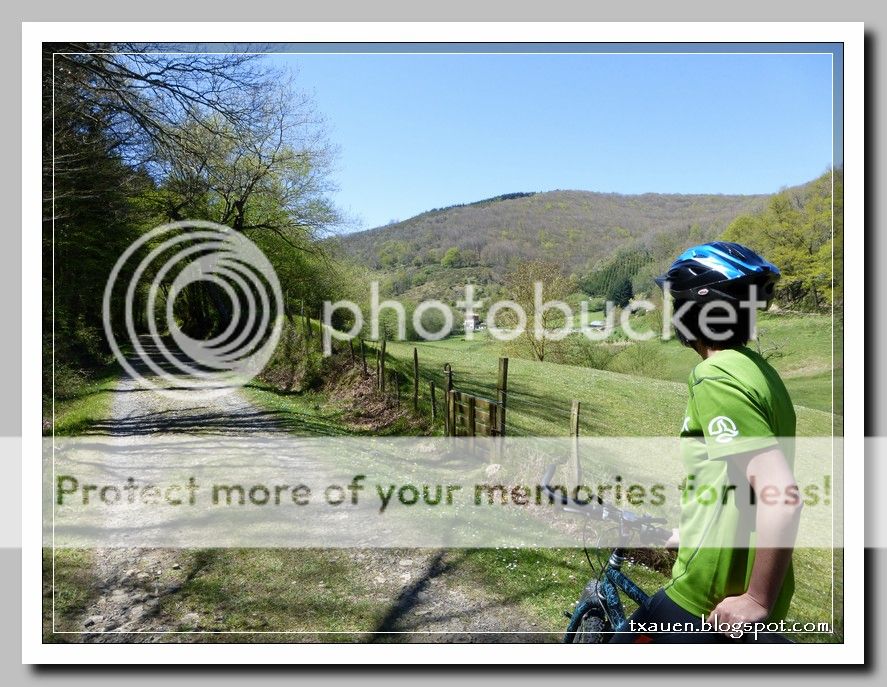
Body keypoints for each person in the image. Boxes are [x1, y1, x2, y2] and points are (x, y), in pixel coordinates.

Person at [610, 241, 802, 644]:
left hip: (707, 600)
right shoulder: (759, 372)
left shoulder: (714, 377)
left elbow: (780, 495)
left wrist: (756, 597)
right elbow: (733, 480)